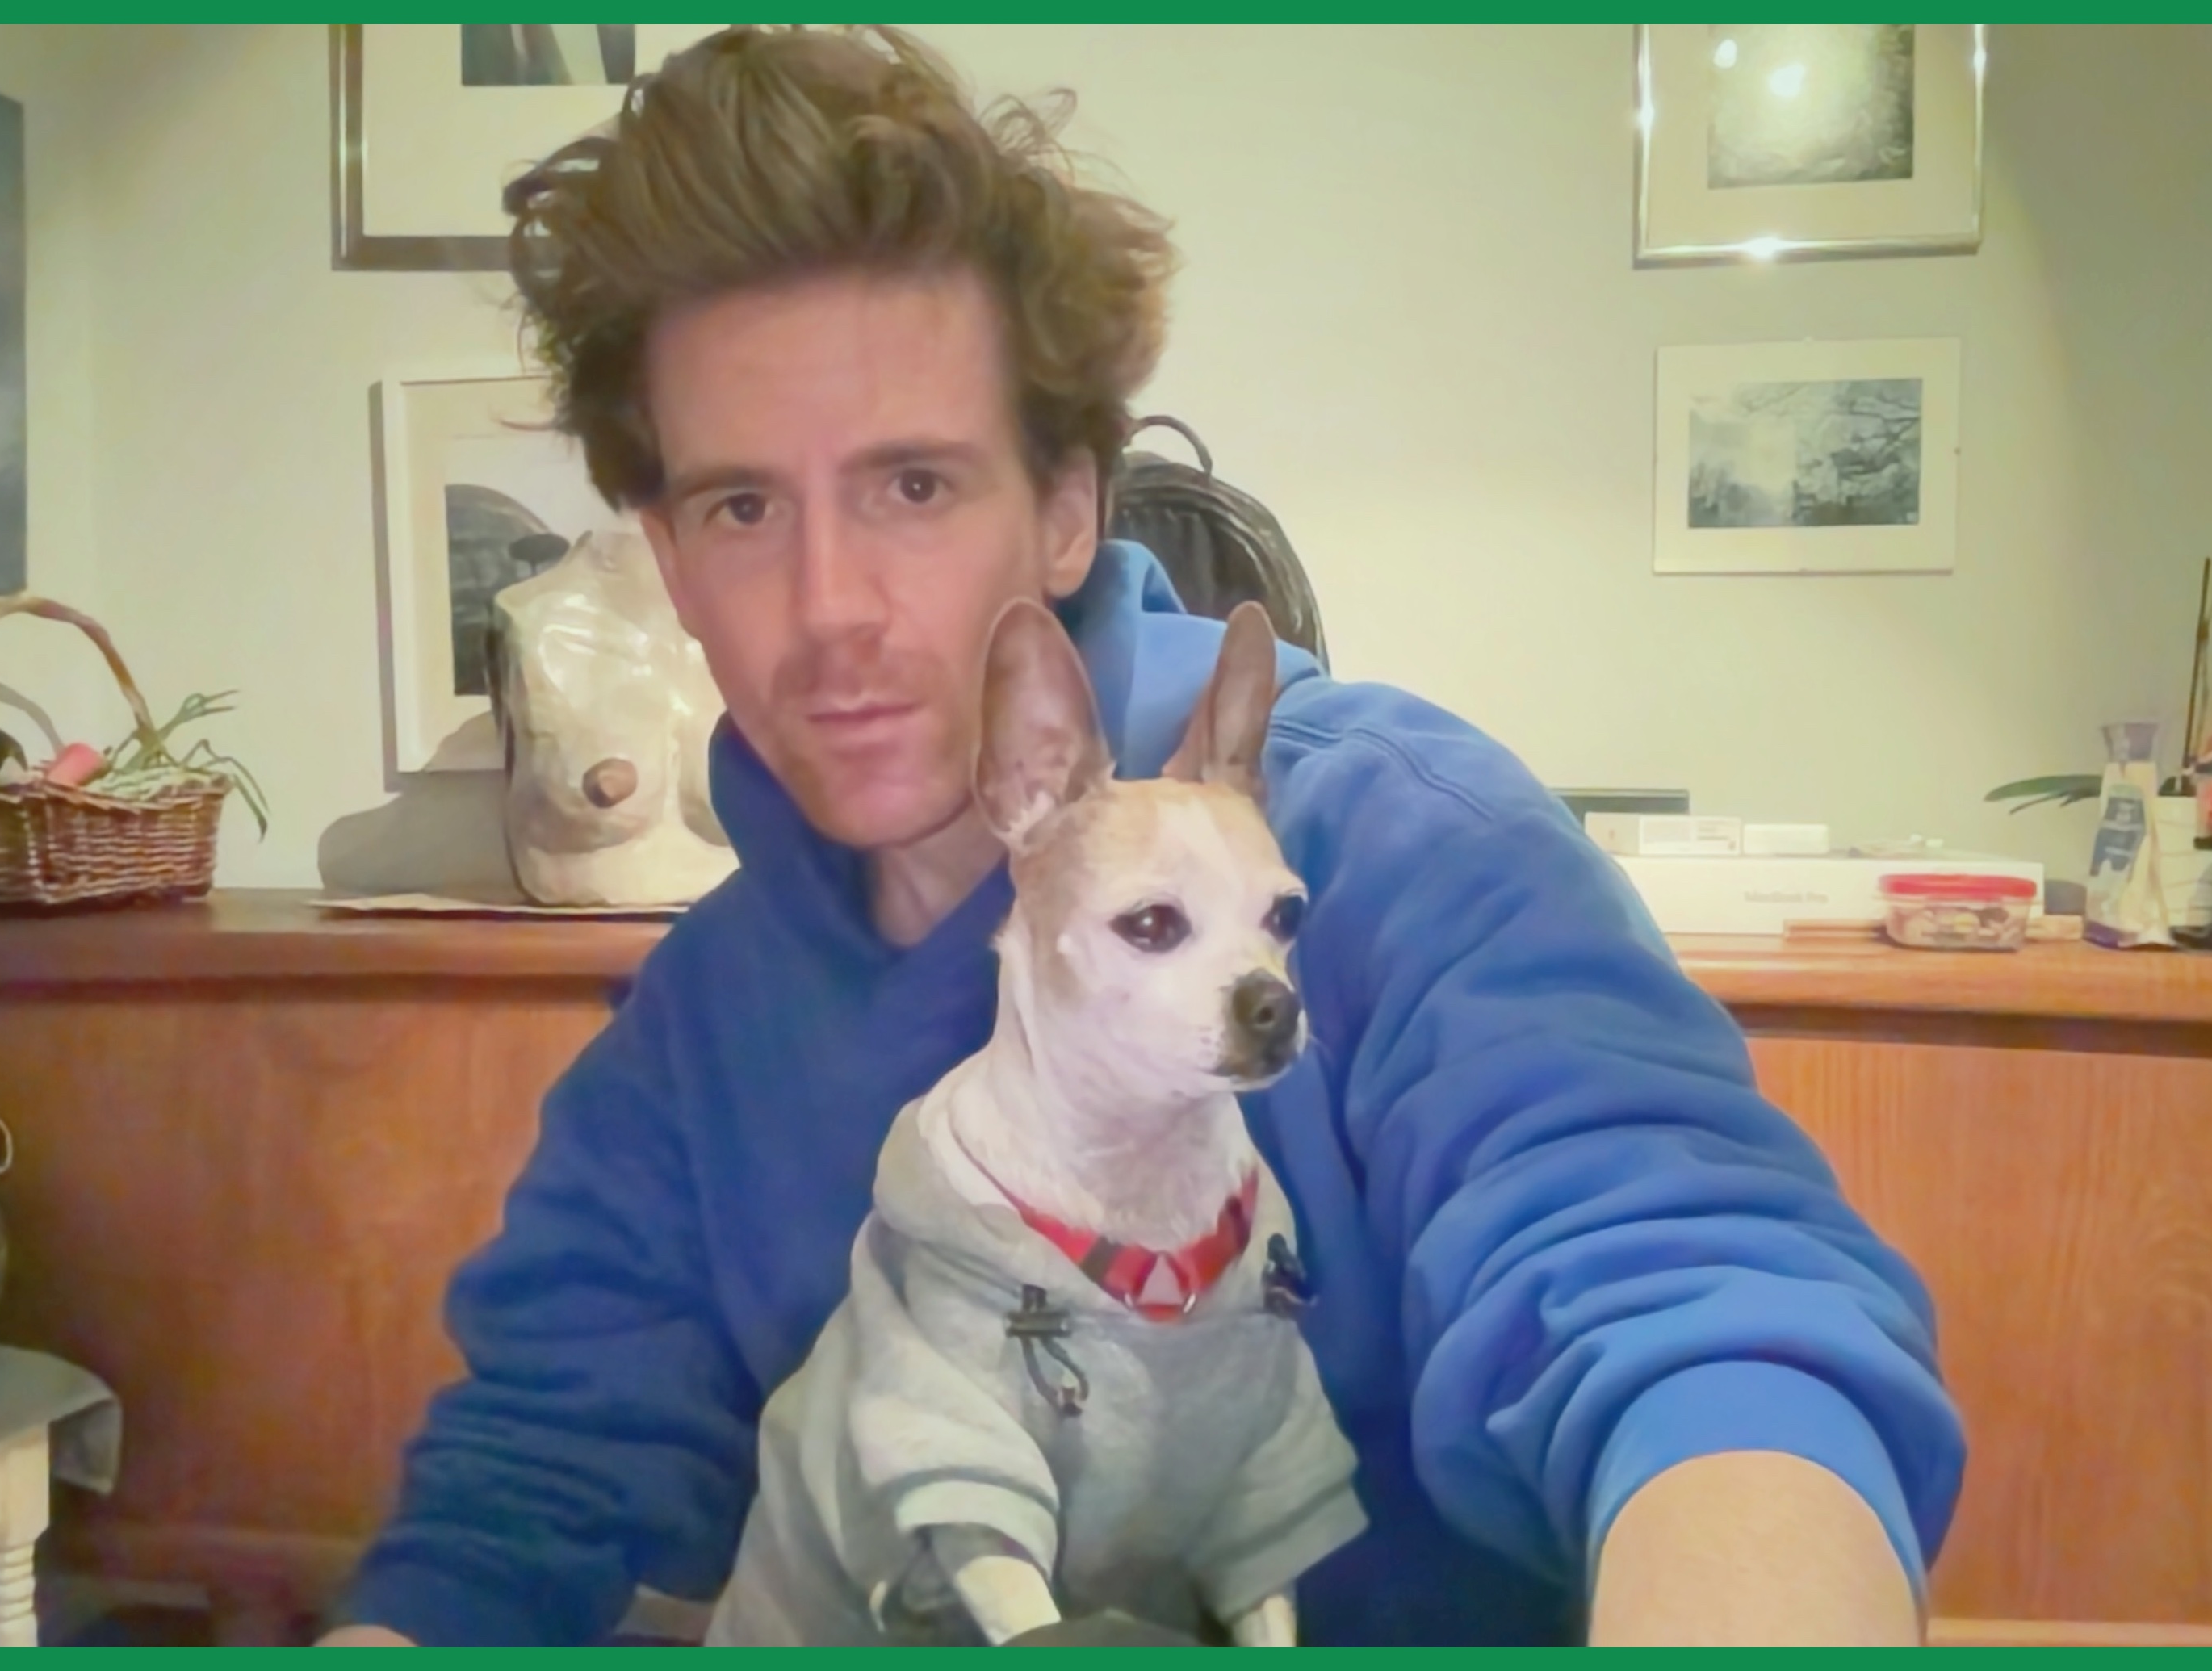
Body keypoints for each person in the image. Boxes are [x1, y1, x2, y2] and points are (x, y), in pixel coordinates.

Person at [324, 25, 1963, 1648]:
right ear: (673, 562)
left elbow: (1706, 1325)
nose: (829, 611)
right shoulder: (694, 1029)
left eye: (912, 487)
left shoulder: (1404, 839)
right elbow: (528, 1496)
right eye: (743, 507)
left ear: (1065, 510)